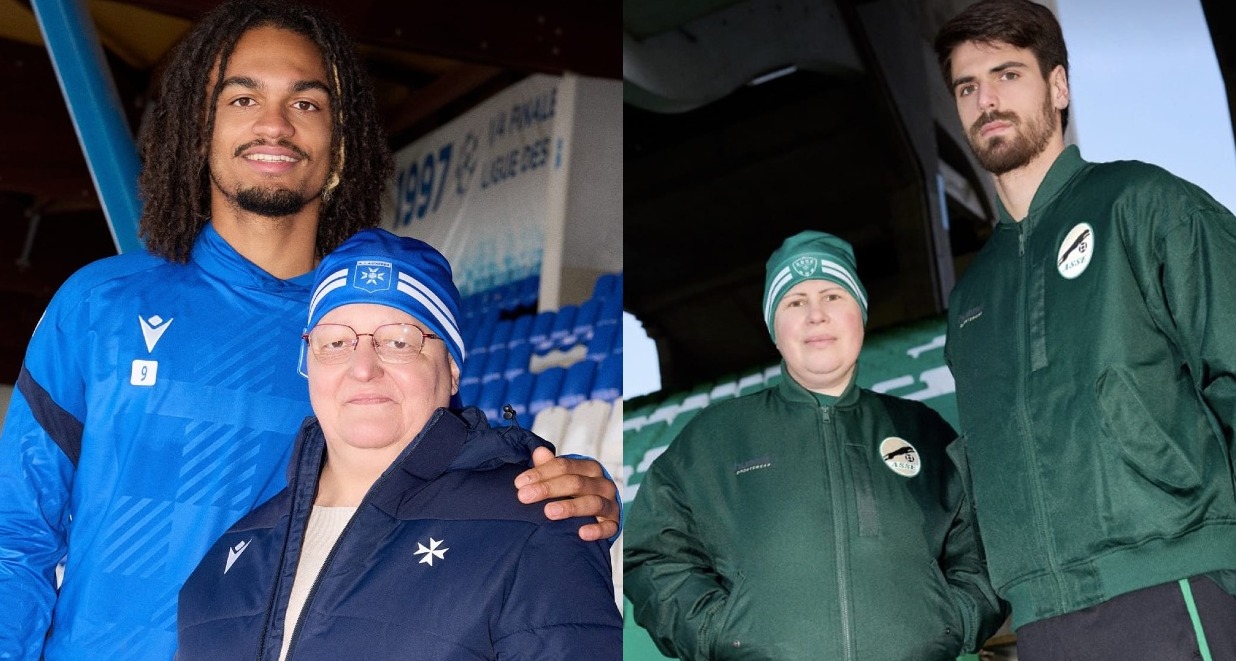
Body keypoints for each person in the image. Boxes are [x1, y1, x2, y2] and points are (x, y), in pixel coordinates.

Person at [0, 3, 619, 660]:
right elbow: (14, 534)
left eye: (307, 104)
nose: (274, 124)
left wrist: (567, 488)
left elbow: (455, 477)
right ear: (199, 124)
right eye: (243, 98)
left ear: (340, 137)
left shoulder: (366, 335)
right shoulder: (99, 304)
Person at [934, 1, 1236, 658]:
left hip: (1174, 582)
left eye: (1008, 74)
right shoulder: (973, 299)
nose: (987, 99)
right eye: (967, 86)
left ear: (1059, 86)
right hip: (1045, 621)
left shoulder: (1141, 202)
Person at [175, 228, 622, 659]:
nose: (363, 367)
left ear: (451, 368)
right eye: (335, 342)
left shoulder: (538, 525)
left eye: (398, 341)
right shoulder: (230, 555)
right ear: (308, 364)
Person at [623, 230, 1006, 660]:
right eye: (795, 302)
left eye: (832, 295)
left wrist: (955, 619)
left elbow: (984, 547)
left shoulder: (924, 431)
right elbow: (654, 555)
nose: (816, 315)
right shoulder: (716, 436)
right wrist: (716, 632)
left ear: (859, 313)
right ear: (775, 330)